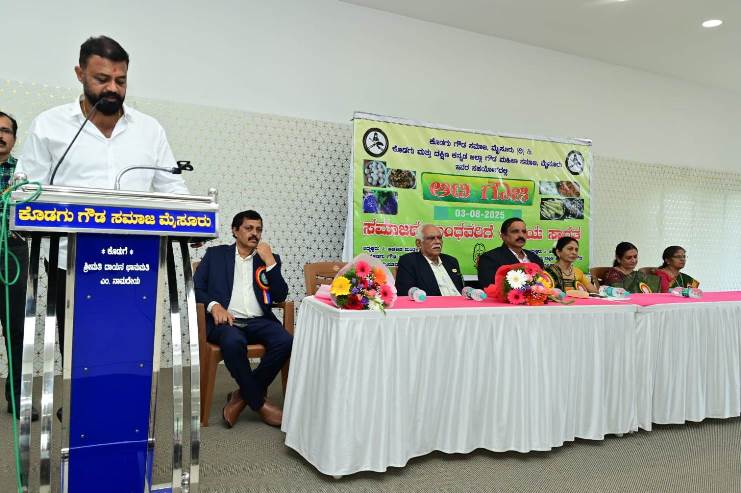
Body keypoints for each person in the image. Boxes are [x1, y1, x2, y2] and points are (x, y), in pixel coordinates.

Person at [16, 36, 189, 364]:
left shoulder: (149, 130)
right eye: (102, 79)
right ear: (79, 73)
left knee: (131, 352)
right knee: (81, 355)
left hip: (136, 263)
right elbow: (27, 193)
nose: (113, 88)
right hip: (69, 262)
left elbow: (172, 187)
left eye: (120, 81)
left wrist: (193, 219)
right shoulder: (50, 126)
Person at [194, 210, 292, 428]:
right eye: (249, 228)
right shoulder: (215, 255)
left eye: (258, 229)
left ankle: (242, 396)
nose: (254, 233)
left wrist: (270, 261)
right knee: (233, 341)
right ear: (235, 230)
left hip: (259, 320)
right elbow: (196, 288)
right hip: (226, 322)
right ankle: (259, 404)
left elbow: (280, 296)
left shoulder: (268, 259)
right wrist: (214, 306)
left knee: (285, 341)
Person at [0, 111, 39, 421]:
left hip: (12, 251)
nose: (0, 135)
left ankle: (17, 397)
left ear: (14, 138)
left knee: (16, 327)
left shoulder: (24, 173)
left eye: (6, 130)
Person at [395, 224, 464, 296]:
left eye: (439, 238)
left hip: (462, 301)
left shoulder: (451, 261)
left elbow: (462, 289)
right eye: (431, 238)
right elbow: (405, 294)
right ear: (418, 243)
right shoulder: (409, 261)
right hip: (435, 303)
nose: (437, 242)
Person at [477, 218, 544, 289]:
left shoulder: (534, 258)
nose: (521, 235)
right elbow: (490, 288)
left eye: (524, 231)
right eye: (515, 231)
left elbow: (544, 283)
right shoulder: (489, 258)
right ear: (503, 236)